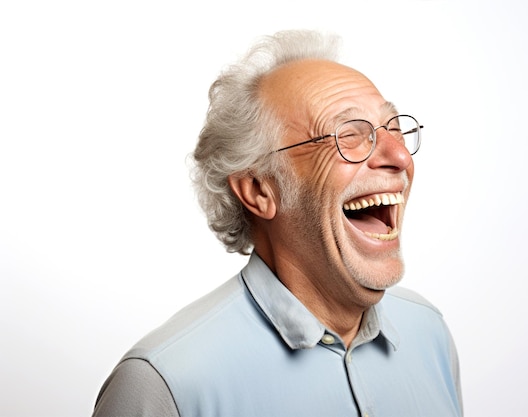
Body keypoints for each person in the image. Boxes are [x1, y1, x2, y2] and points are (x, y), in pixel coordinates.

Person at [92, 29, 463, 417]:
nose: (401, 156)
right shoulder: (165, 386)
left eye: (393, 128)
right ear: (258, 189)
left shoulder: (429, 333)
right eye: (350, 136)